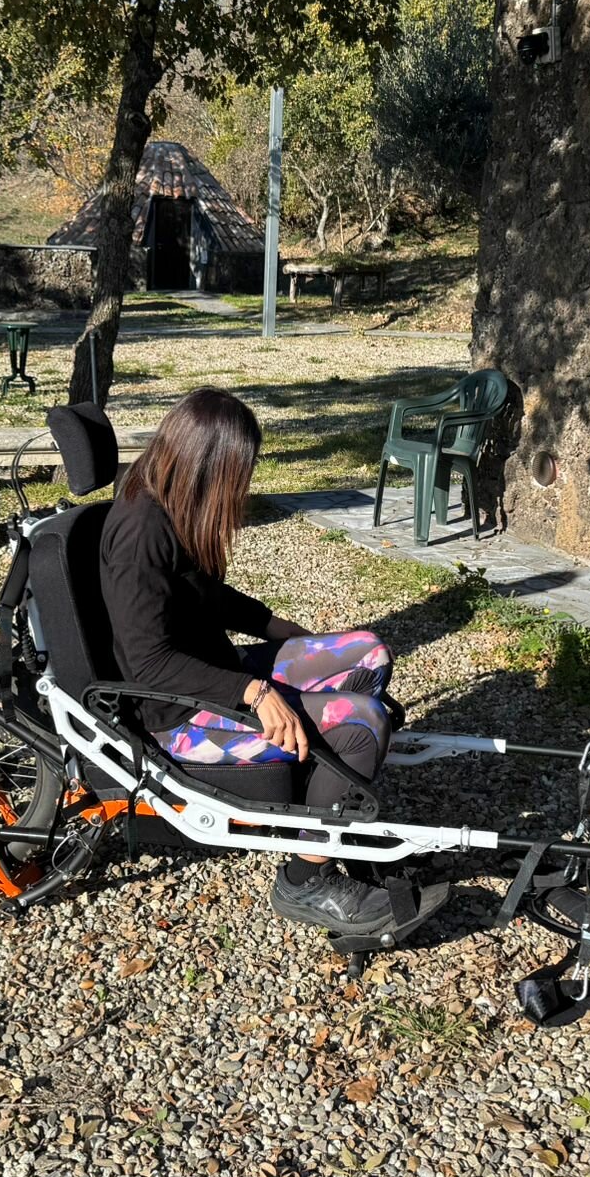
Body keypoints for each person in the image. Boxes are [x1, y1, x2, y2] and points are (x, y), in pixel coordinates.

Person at [99, 387, 446, 939]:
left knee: (368, 651)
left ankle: (326, 798)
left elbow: (201, 594)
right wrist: (256, 694)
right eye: (240, 473)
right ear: (204, 464)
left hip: (215, 671)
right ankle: (306, 879)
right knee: (361, 723)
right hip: (179, 714)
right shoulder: (142, 529)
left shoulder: (166, 495)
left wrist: (276, 628)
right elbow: (147, 664)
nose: (244, 486)